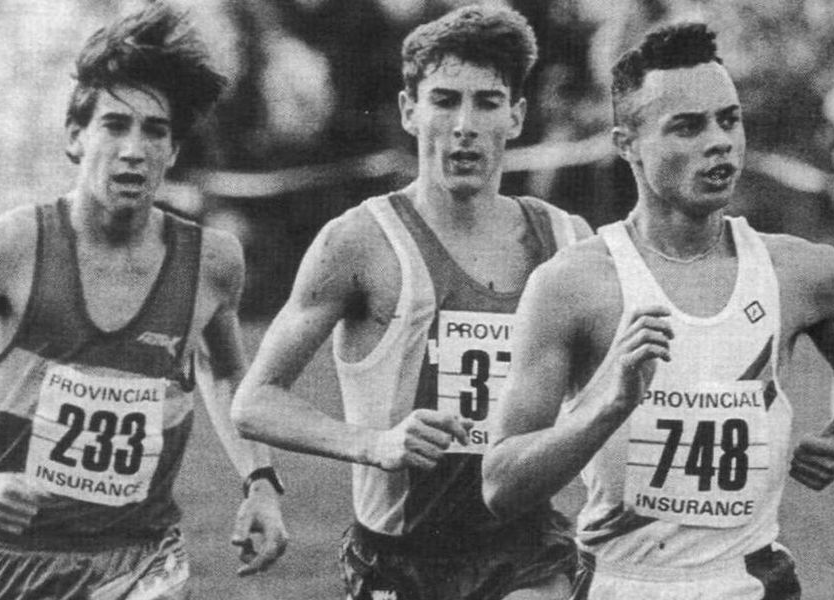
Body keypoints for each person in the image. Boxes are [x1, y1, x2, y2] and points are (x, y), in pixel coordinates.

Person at [0, 4, 287, 598]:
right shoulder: (8, 247)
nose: (134, 150)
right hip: (21, 561)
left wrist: (260, 479)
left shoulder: (212, 260)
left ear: (174, 152)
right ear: (75, 137)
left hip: (149, 560)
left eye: (155, 131)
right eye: (115, 125)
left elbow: (224, 371)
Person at [482, 22, 834, 600]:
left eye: (729, 119)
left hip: (753, 582)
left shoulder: (805, 272)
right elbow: (501, 486)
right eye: (687, 126)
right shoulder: (573, 285)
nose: (720, 142)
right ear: (625, 142)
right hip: (621, 582)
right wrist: (611, 406)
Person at [231, 5, 591, 600]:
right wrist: (374, 444)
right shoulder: (359, 242)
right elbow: (255, 401)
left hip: (527, 552)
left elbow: (635, 377)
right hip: (400, 559)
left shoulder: (569, 242)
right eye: (445, 101)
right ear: (409, 111)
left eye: (487, 102)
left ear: (518, 116)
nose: (465, 125)